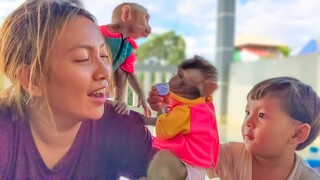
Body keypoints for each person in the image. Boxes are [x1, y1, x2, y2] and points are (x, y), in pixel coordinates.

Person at [0, 1, 153, 179]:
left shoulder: (122, 127)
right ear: (32, 79)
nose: (105, 72)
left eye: (104, 56)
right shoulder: (6, 136)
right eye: (82, 58)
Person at [147, 76, 320, 179]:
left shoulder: (307, 177)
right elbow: (189, 150)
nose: (248, 122)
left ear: (297, 133)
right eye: (247, 112)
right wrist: (167, 111)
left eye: (261, 115)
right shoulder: (232, 155)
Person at [146, 55, 220, 180]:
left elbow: (162, 130)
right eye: (178, 73)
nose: (173, 81)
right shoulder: (203, 103)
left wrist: (159, 109)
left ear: (205, 89)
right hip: (194, 166)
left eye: (181, 78)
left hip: (186, 167)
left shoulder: (185, 112)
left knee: (162, 158)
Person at [99, 2, 151, 116]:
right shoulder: (98, 34)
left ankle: (119, 100)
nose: (149, 28)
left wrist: (141, 95)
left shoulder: (128, 45)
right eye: (145, 19)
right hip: (87, 83)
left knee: (123, 70)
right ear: (126, 14)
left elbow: (129, 73)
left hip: (105, 86)